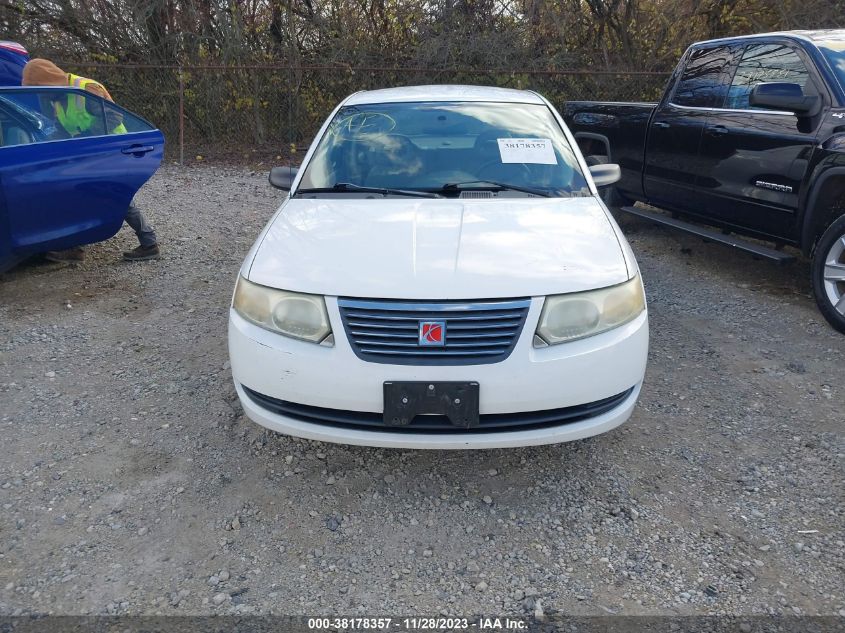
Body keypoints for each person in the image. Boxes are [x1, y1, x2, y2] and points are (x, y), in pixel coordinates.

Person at [21, 58, 160, 262]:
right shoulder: (55, 98)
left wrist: (81, 138)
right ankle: (75, 248)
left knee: (118, 197)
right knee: (80, 196)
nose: (39, 94)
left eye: (38, 88)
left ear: (47, 80)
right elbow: (60, 127)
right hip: (87, 154)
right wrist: (42, 146)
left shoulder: (86, 88)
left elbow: (114, 118)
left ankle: (149, 244)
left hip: (112, 150)